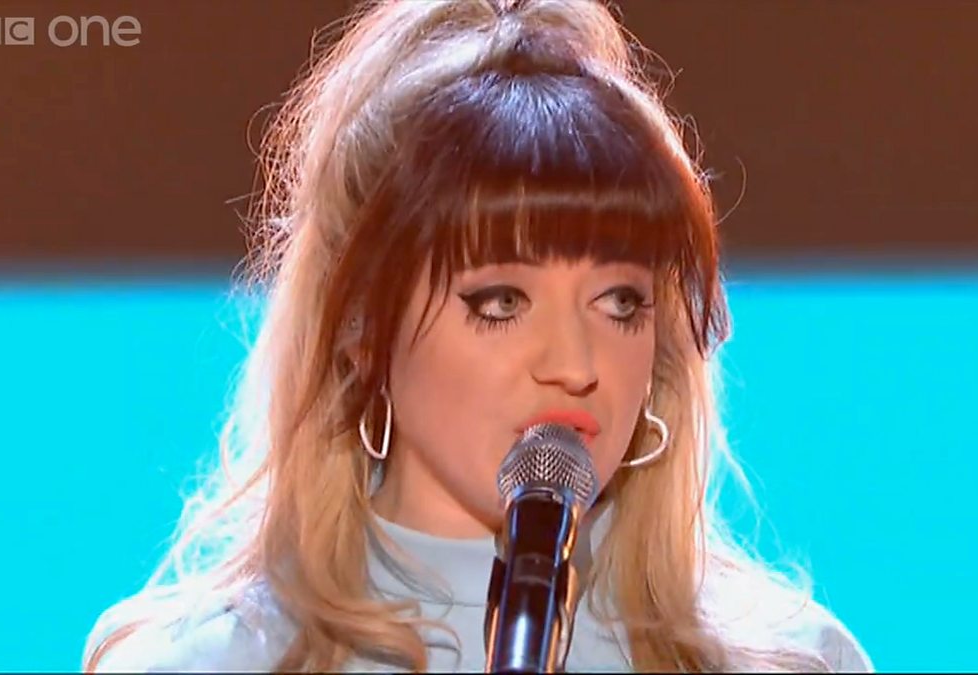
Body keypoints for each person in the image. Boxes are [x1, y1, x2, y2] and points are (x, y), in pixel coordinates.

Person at [84, 0, 875, 671]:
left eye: (619, 302)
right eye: (501, 301)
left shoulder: (787, 659)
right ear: (361, 325)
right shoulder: (204, 660)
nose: (574, 364)